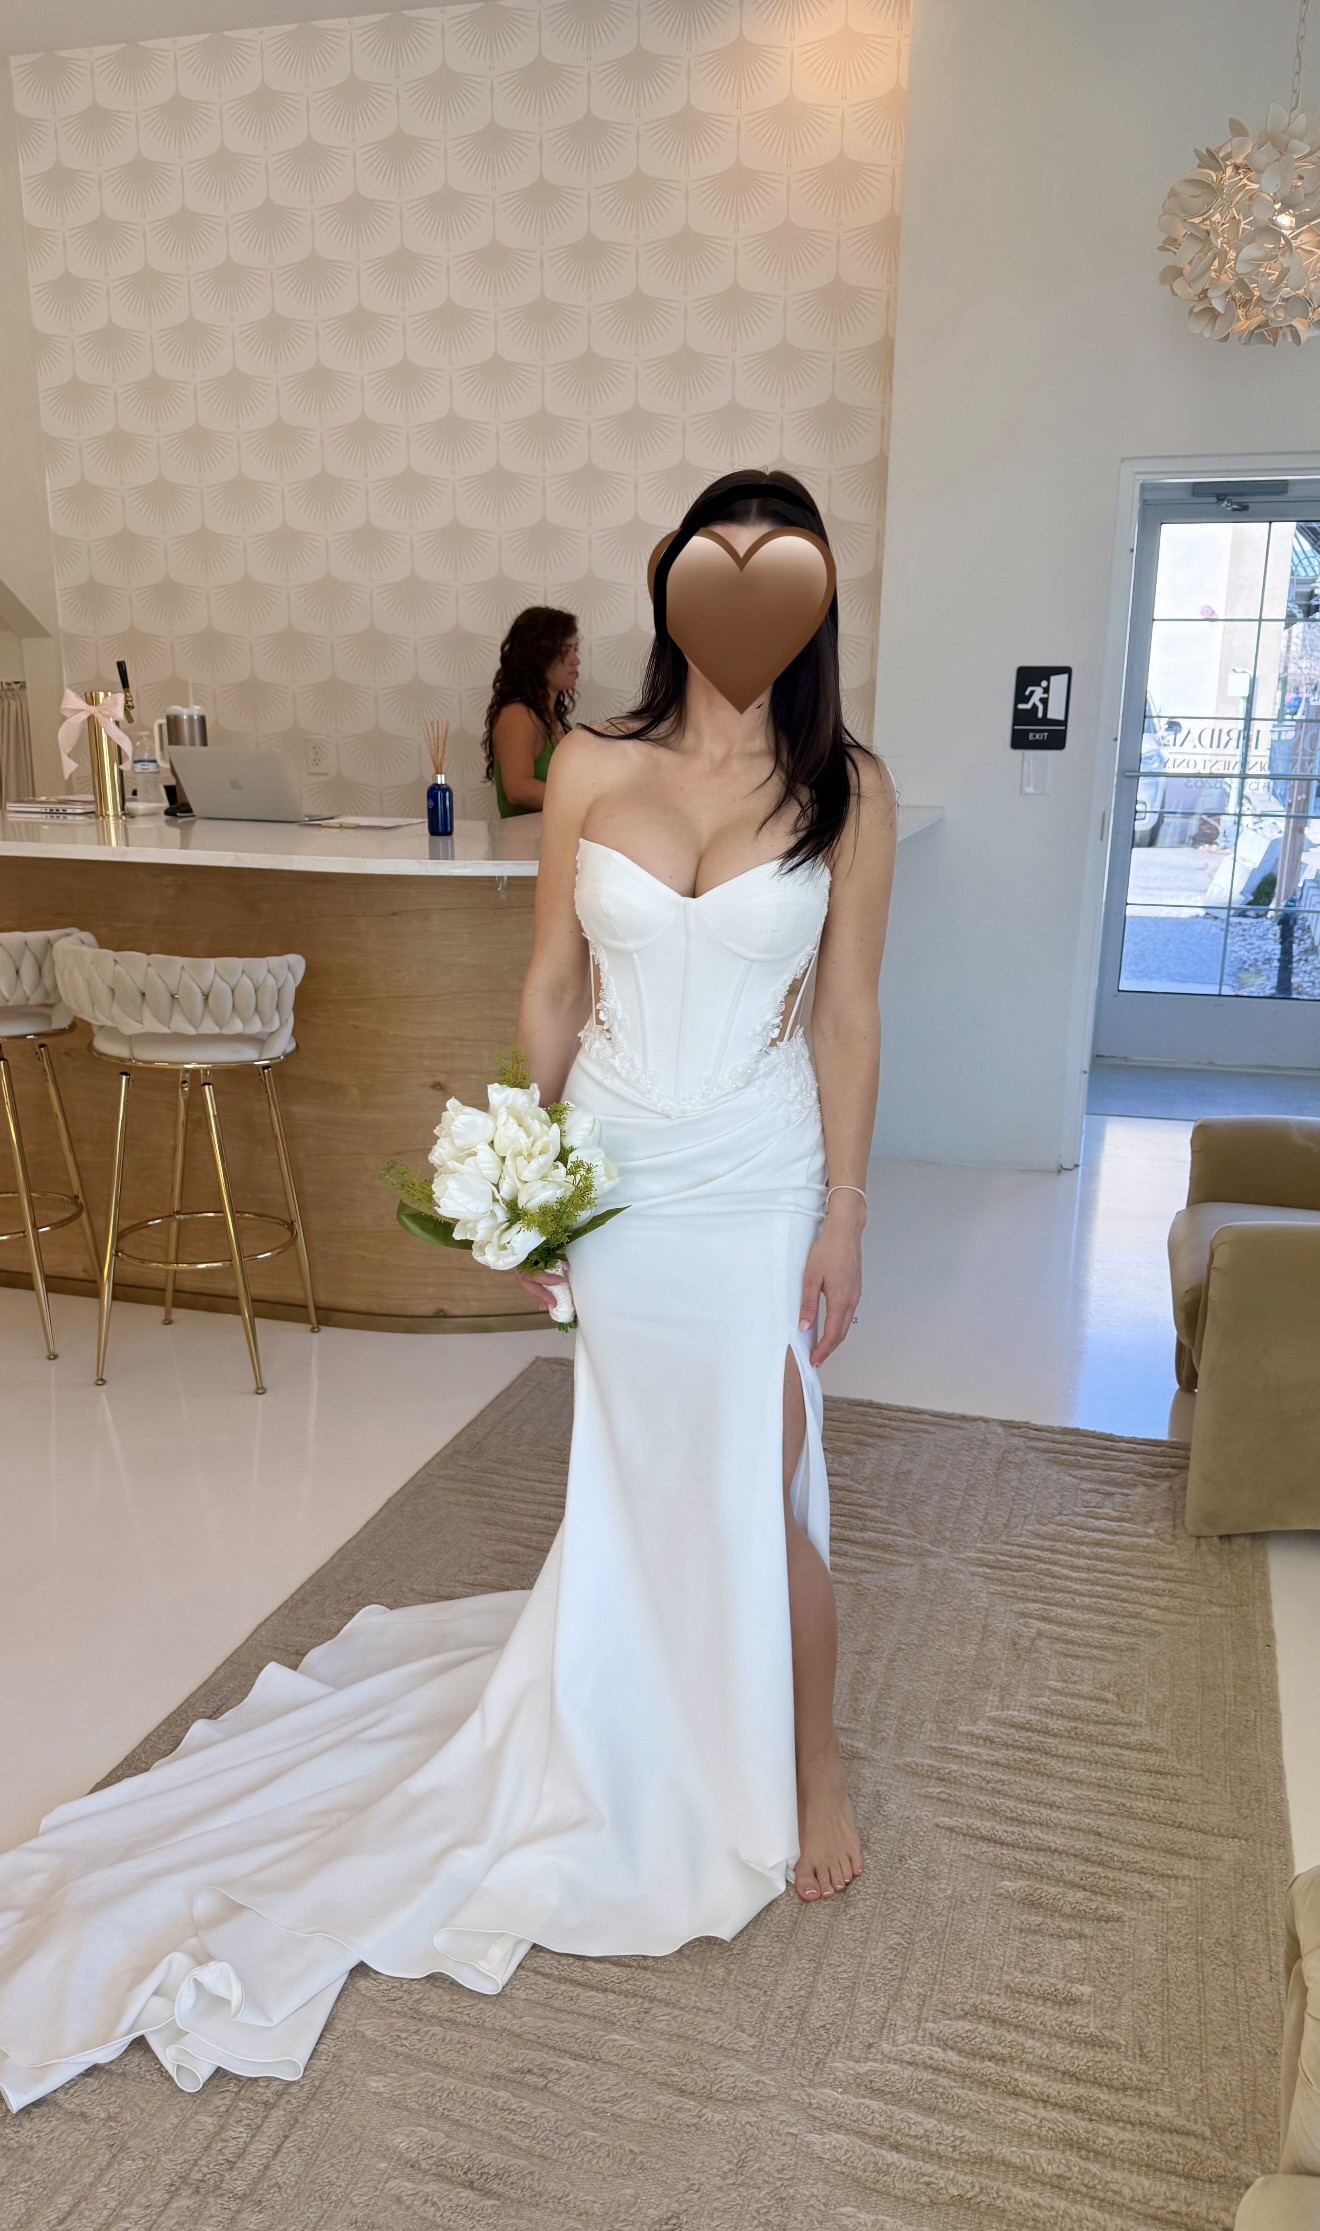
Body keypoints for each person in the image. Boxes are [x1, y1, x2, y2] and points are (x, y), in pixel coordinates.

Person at [0, 472, 896, 2111]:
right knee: (643, 1466)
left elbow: (846, 1013)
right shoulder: (592, 765)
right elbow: (553, 983)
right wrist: (522, 1165)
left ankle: (809, 1758)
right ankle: (634, 1699)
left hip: (758, 1177)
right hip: (620, 1170)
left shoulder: (848, 788)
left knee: (761, 1463)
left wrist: (844, 1212)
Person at [484, 607, 580, 817]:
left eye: (575, 648)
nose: (576, 660)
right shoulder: (518, 716)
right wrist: (582, 803)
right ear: (538, 656)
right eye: (566, 650)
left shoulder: (547, 716)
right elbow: (518, 789)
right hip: (523, 838)